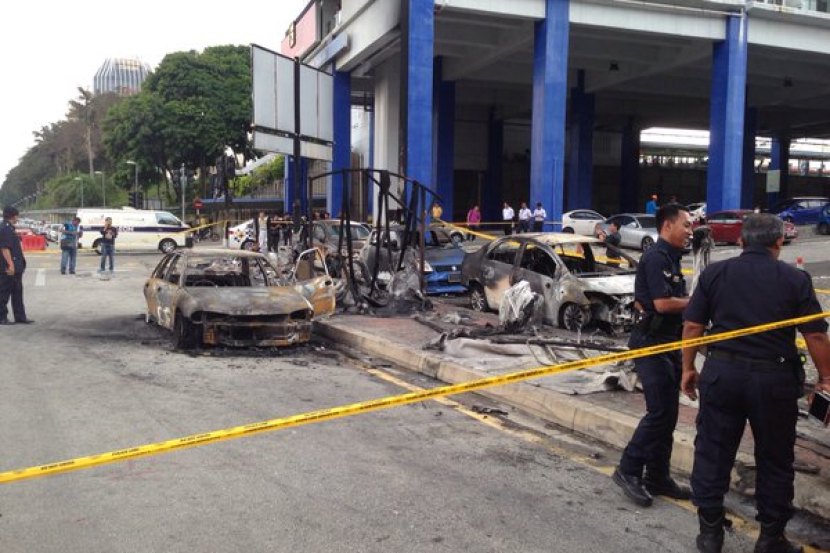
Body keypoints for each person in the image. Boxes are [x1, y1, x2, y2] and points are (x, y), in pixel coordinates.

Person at [681, 213, 830, 553]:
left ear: (740, 241)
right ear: (779, 242)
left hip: (722, 375)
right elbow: (816, 336)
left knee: (713, 450)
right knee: (775, 457)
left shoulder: (714, 274)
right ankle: (771, 537)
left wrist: (687, 368)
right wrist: (825, 379)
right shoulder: (795, 279)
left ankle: (710, 533)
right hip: (773, 380)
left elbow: (692, 327)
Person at [613, 203, 693, 507]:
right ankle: (628, 469)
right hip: (651, 343)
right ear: (667, 226)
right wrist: (698, 300)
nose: (690, 231)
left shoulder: (672, 257)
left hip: (668, 342)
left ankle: (658, 476)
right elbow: (662, 304)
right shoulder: (656, 257)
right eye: (686, 225)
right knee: (659, 412)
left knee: (669, 414)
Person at [0, 206, 32, 325]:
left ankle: (20, 316)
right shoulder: (5, 229)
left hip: (16, 267)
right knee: (4, 293)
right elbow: (5, 248)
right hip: (8, 267)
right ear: (13, 216)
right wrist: (11, 265)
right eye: (17, 216)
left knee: (17, 292)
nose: (17, 218)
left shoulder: (9, 228)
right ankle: (2, 317)